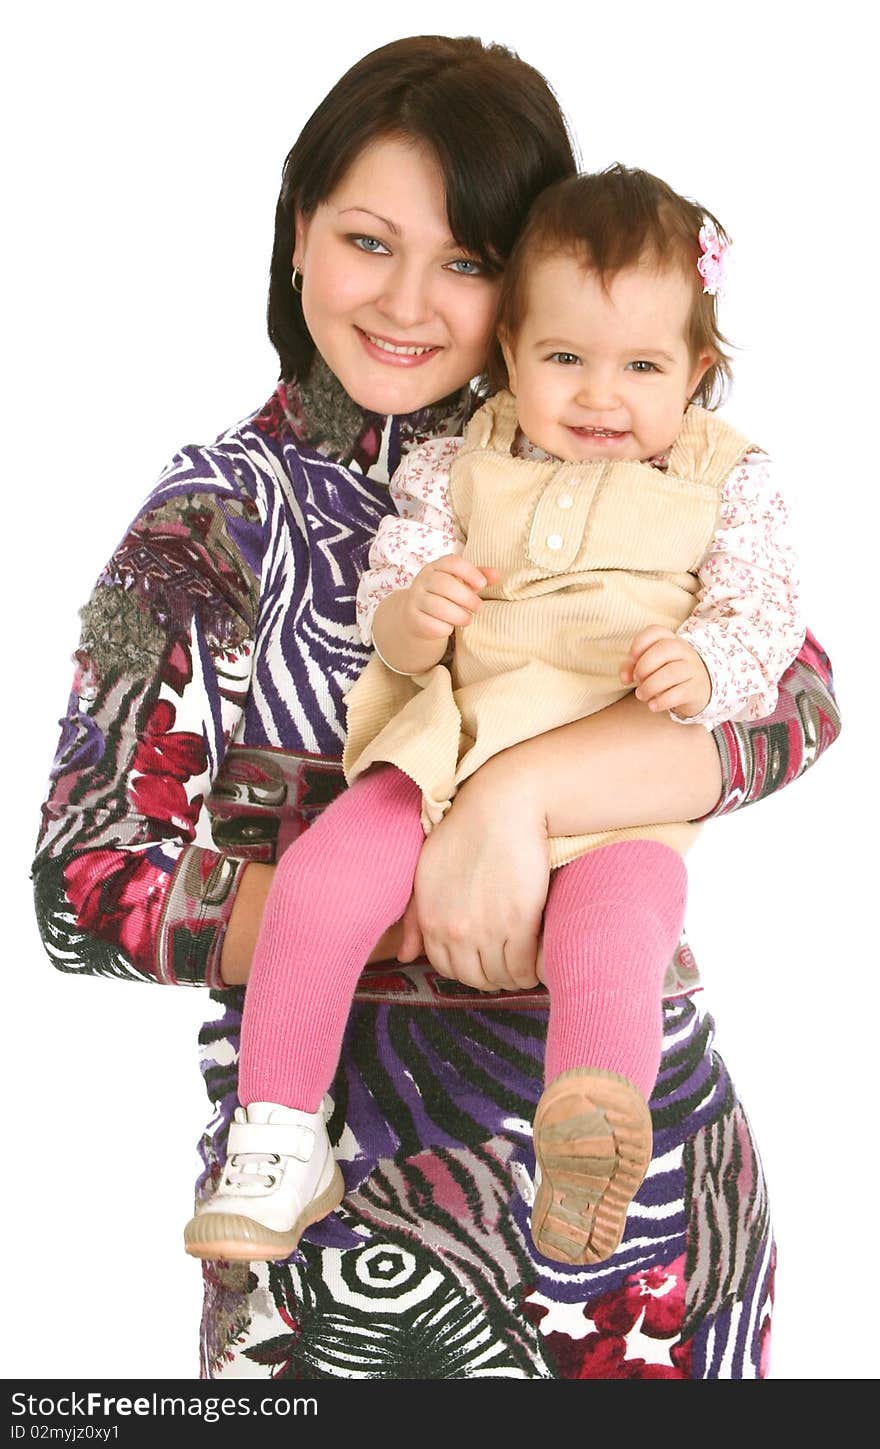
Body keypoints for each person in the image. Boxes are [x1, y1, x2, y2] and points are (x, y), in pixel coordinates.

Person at [31, 36, 840, 1380]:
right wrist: (423, 895)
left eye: (466, 260)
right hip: (330, 1245)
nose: (409, 301)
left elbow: (795, 706)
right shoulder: (212, 522)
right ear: (299, 238)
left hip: (642, 1227)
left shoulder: (628, 456)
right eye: (366, 239)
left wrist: (519, 801)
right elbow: (82, 882)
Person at [183, 165, 805, 1271]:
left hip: (619, 797)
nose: (599, 396)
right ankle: (277, 1129)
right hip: (436, 752)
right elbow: (396, 589)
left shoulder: (728, 478)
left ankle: (593, 1122)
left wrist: (702, 663)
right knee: (328, 876)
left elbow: (775, 639)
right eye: (564, 358)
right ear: (511, 355)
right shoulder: (460, 456)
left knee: (617, 929)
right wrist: (418, 617)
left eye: (642, 366)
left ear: (697, 372)